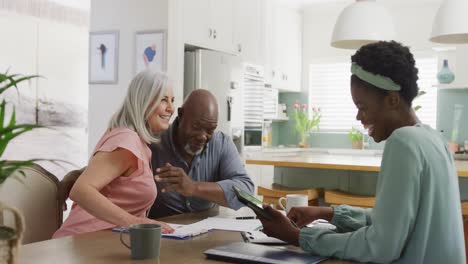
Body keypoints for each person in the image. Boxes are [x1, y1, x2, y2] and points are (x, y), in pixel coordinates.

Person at [257, 41, 465, 263]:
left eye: (362, 107)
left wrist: (298, 236)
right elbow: (392, 222)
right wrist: (328, 213)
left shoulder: (403, 142)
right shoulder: (434, 139)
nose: (358, 117)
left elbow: (381, 246)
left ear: (393, 100)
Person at [53, 70, 175, 238]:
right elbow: (81, 190)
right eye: (164, 100)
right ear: (144, 101)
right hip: (81, 242)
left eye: (172, 100)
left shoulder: (138, 145)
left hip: (103, 243)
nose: (171, 108)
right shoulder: (126, 141)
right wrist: (134, 222)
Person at [148, 89, 254, 218]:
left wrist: (194, 187)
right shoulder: (153, 142)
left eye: (210, 130)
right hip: (163, 230)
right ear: (181, 115)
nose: (203, 136)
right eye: (196, 127)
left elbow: (246, 193)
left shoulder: (221, 144)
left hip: (207, 231)